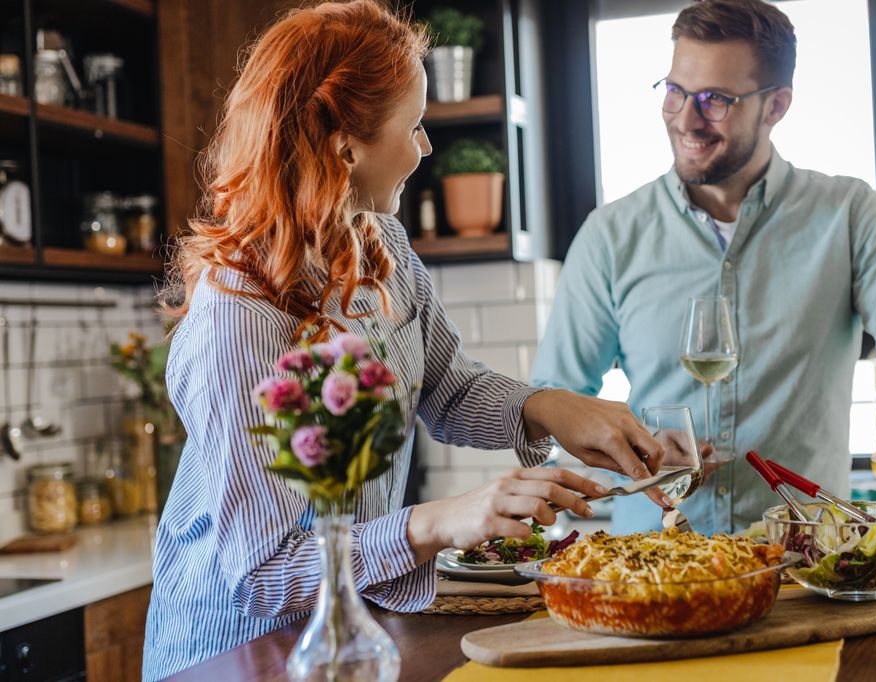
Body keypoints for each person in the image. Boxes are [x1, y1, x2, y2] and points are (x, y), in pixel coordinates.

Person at [141, 3, 670, 679]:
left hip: (345, 635)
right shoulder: (239, 313)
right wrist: (440, 522)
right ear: (344, 143)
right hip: (236, 656)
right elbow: (264, 575)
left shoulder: (377, 241)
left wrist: (551, 407)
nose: (424, 148)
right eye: (413, 125)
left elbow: (447, 387)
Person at [532, 0, 876, 580]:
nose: (686, 118)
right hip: (647, 574)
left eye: (716, 99)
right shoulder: (610, 234)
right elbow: (551, 405)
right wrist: (630, 447)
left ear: (777, 105)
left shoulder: (850, 215)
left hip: (807, 575)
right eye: (674, 90)